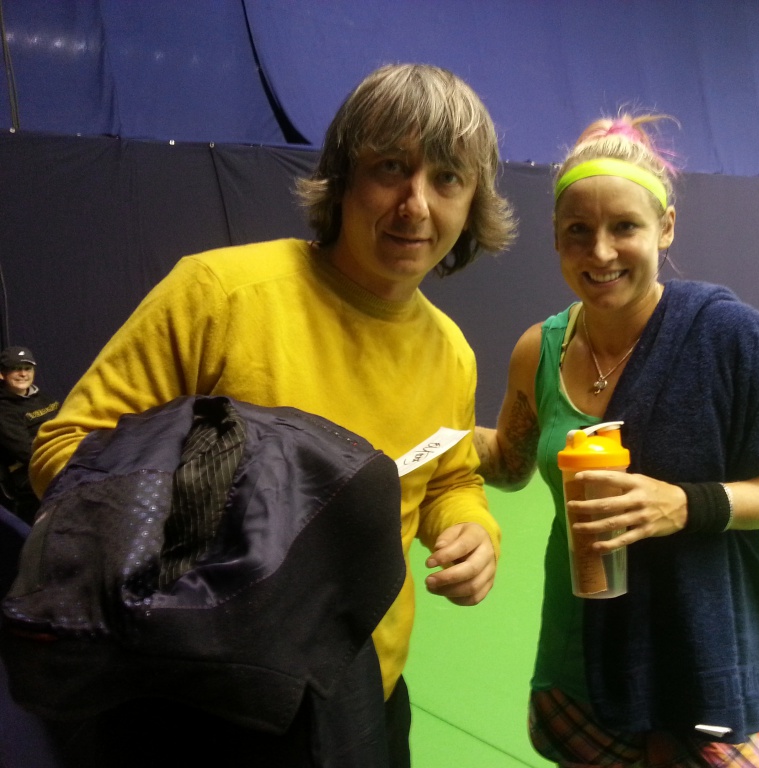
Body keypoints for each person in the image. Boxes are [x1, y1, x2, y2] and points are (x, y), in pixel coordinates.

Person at [30, 63, 516, 767]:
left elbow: (448, 476)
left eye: (447, 179)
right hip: (200, 706)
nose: (415, 205)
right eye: (390, 167)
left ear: (472, 203)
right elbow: (66, 453)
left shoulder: (451, 353)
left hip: (365, 697)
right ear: (343, 177)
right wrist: (226, 524)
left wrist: (471, 527)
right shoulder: (218, 295)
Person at [474, 115, 759, 768]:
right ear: (556, 238)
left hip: (700, 658)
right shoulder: (539, 350)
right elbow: (508, 462)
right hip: (580, 651)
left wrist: (687, 505)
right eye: (578, 231)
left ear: (665, 227)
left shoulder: (727, 335)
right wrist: (427, 426)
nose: (601, 253)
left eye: (625, 227)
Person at [0, 346, 59, 524]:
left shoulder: (42, 397)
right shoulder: (4, 409)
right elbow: (27, 452)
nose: (23, 374)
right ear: (2, 374)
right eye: (16, 369)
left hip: (59, 456)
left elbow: (65, 424)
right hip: (29, 471)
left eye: (27, 368)